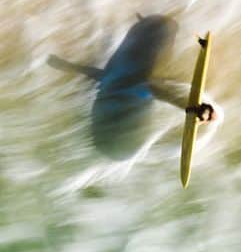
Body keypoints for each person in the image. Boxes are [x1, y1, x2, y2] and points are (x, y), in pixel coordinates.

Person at [48, 14, 221, 160]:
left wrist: (67, 66)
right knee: (155, 77)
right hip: (115, 138)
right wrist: (191, 107)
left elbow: (100, 75)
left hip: (110, 144)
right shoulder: (122, 83)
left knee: (153, 75)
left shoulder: (117, 82)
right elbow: (151, 87)